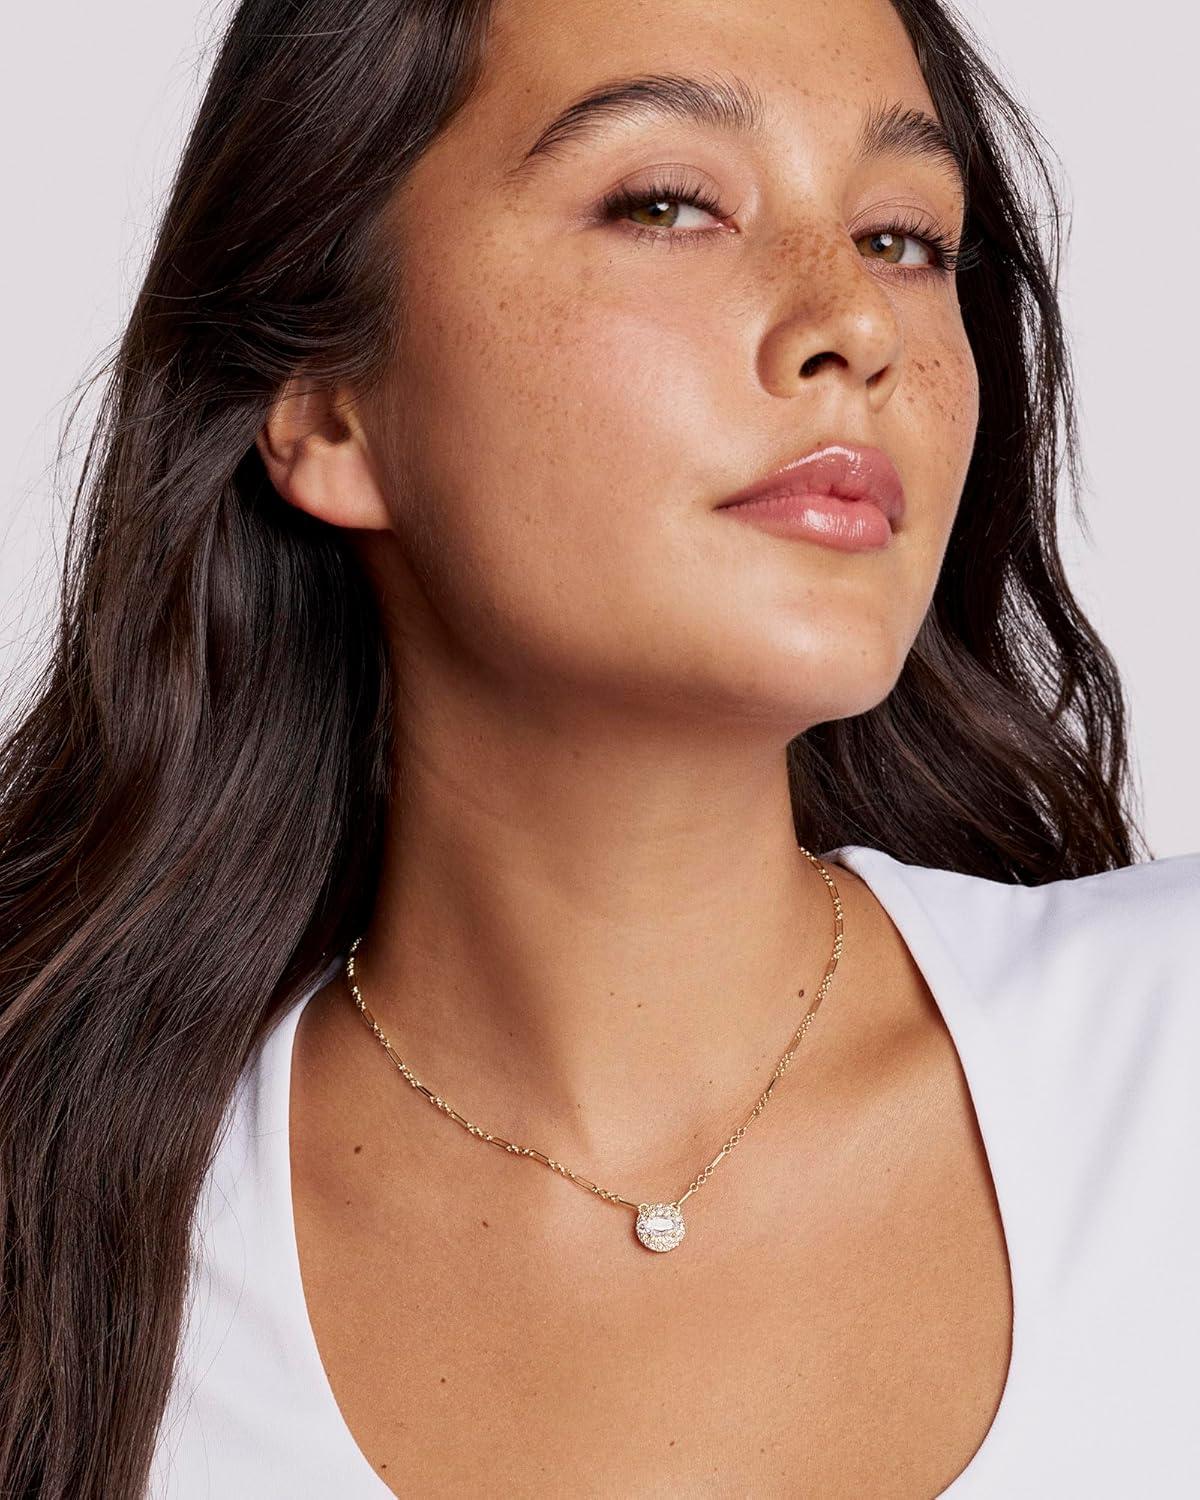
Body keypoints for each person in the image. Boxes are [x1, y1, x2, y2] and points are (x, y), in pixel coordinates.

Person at [1, 0, 1196, 1495]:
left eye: (903, 237)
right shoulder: (53, 1231)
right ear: (325, 407)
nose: (858, 321)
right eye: (667, 204)